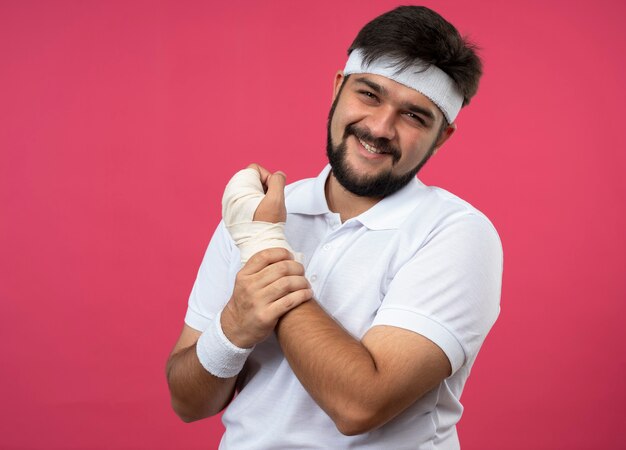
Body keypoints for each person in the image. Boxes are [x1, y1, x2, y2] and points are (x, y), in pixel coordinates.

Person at [166, 6, 503, 449]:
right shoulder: (264, 212)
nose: (380, 127)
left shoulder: (455, 233)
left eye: (414, 116)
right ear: (338, 88)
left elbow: (359, 405)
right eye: (369, 94)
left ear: (442, 137)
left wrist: (263, 247)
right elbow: (189, 403)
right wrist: (233, 327)